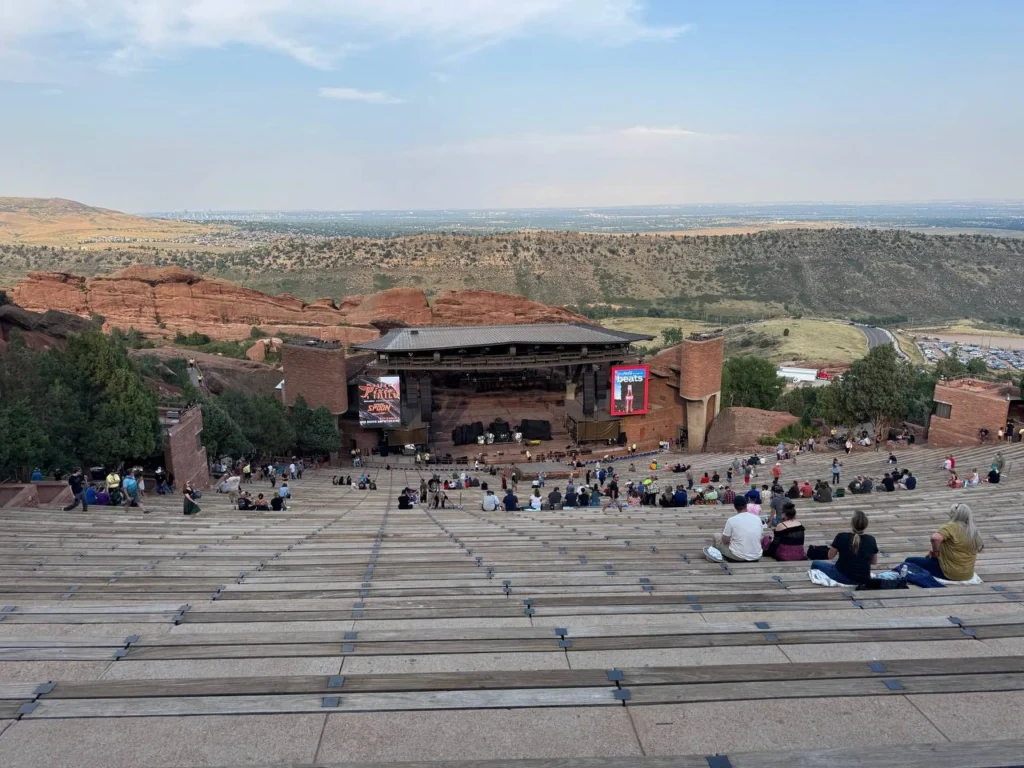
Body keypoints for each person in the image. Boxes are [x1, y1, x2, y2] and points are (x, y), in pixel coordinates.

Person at [900, 503, 983, 581]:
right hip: (967, 574)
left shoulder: (952, 526)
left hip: (949, 573)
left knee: (909, 561)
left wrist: (936, 552)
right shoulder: (973, 531)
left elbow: (935, 538)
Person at [810, 510, 878, 586]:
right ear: (866, 524)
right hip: (864, 578)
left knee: (815, 563)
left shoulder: (842, 536)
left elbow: (830, 556)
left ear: (851, 524)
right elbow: (874, 562)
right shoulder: (871, 539)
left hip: (843, 576)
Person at [708, 497, 763, 562]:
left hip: (737, 556)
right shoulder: (757, 518)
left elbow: (725, 541)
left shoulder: (732, 520)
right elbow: (760, 537)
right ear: (746, 505)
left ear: (735, 507)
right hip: (756, 555)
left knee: (716, 536)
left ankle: (712, 558)